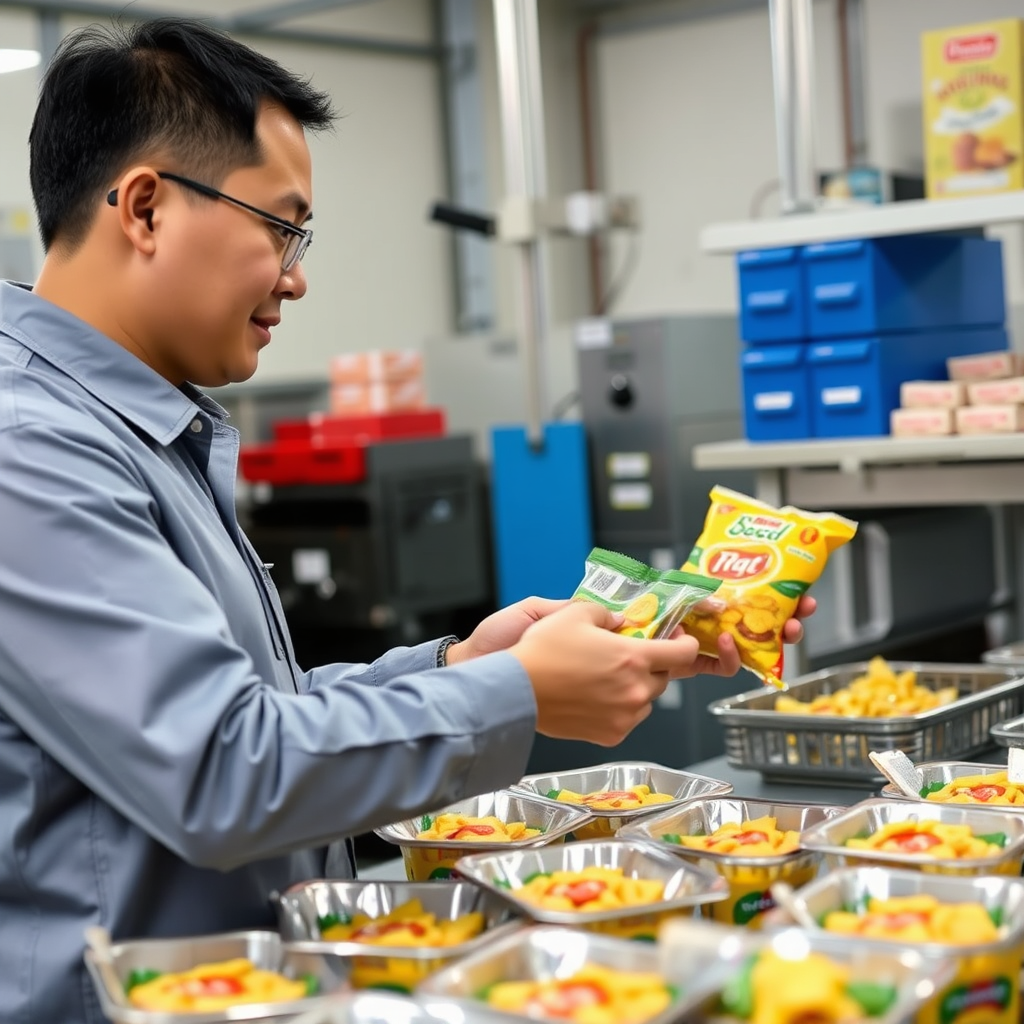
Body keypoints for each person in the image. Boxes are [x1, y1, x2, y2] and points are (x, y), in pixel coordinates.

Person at [0, 17, 813, 1023]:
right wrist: (520, 690)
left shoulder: (141, 426)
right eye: (281, 227)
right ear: (145, 208)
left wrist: (464, 665)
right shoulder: (30, 449)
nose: (296, 275)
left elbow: (262, 708)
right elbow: (222, 768)